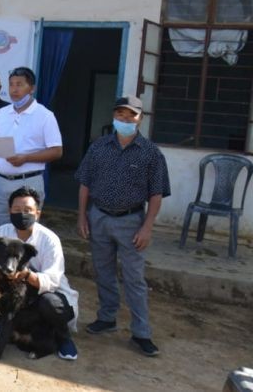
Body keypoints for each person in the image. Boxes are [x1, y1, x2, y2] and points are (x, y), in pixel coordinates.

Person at [75, 95, 170, 357]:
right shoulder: (99, 147)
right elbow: (85, 182)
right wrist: (82, 216)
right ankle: (107, 318)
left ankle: (141, 333)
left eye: (131, 115)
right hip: (99, 218)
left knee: (134, 279)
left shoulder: (151, 153)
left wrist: (147, 227)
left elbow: (156, 194)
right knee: (103, 271)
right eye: (120, 114)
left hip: (131, 221)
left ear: (141, 118)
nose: (125, 119)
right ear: (113, 116)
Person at [0, 186, 80, 360]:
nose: (21, 214)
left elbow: (53, 281)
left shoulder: (49, 239)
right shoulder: (2, 233)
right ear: (9, 211)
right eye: (17, 210)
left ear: (37, 213)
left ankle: (63, 337)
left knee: (49, 303)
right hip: (22, 295)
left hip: (51, 294)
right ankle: (11, 326)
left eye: (27, 210)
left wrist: (26, 275)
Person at [0, 67, 62, 231]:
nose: (14, 89)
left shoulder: (45, 116)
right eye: (11, 84)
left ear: (32, 88)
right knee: (0, 232)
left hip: (27, 183)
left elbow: (57, 151)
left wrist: (26, 158)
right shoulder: (2, 113)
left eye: (19, 84)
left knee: (25, 232)